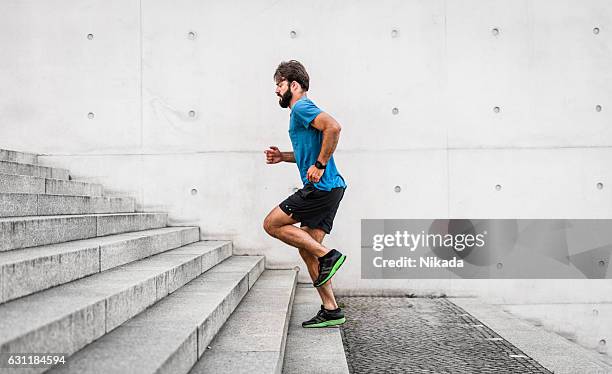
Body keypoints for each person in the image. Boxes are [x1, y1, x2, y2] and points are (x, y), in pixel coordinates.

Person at [263, 60, 348, 328]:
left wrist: (320, 165)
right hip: (332, 188)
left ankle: (329, 255)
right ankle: (331, 309)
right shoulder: (299, 113)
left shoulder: (301, 106)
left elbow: (333, 127)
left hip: (321, 188)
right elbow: (307, 151)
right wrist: (283, 157)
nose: (276, 90)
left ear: (294, 85)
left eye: (279, 84)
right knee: (307, 249)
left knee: (271, 223)